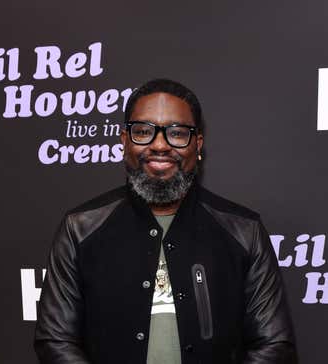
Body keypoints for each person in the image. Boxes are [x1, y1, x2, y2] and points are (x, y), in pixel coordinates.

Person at [34, 79, 298, 364]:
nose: (159, 145)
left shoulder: (244, 231)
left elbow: (273, 344)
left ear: (197, 144)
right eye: (143, 132)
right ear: (124, 141)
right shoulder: (80, 228)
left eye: (177, 132)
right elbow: (56, 340)